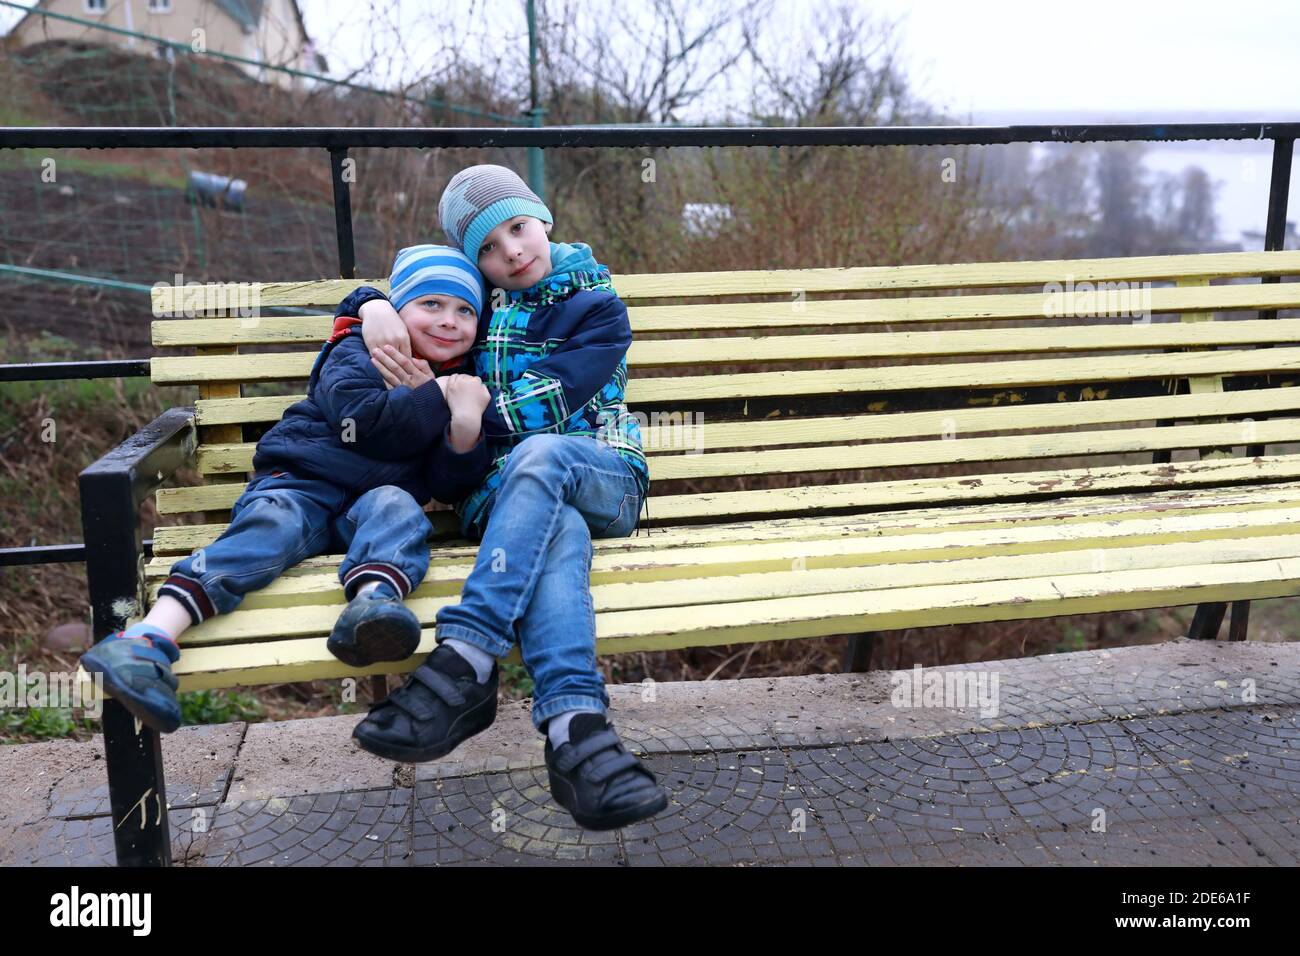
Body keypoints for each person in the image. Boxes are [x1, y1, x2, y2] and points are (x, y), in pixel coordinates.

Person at [343, 163, 669, 831]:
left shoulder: (597, 306)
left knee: (541, 452)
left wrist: (449, 403)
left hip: (602, 473)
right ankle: (578, 737)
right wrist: (370, 304)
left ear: (542, 218)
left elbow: (545, 405)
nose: (510, 253)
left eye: (517, 230)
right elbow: (409, 290)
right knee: (560, 535)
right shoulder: (479, 304)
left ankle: (465, 660)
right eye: (487, 249)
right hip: (514, 502)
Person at [79, 245, 494, 734]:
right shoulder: (359, 349)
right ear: (398, 310)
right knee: (270, 528)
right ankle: (145, 640)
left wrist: (465, 430)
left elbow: (449, 486)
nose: (449, 320)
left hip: (370, 505)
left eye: (465, 310)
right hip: (300, 484)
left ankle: (373, 606)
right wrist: (431, 394)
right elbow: (362, 424)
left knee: (400, 509)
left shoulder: (463, 383)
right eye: (431, 304)